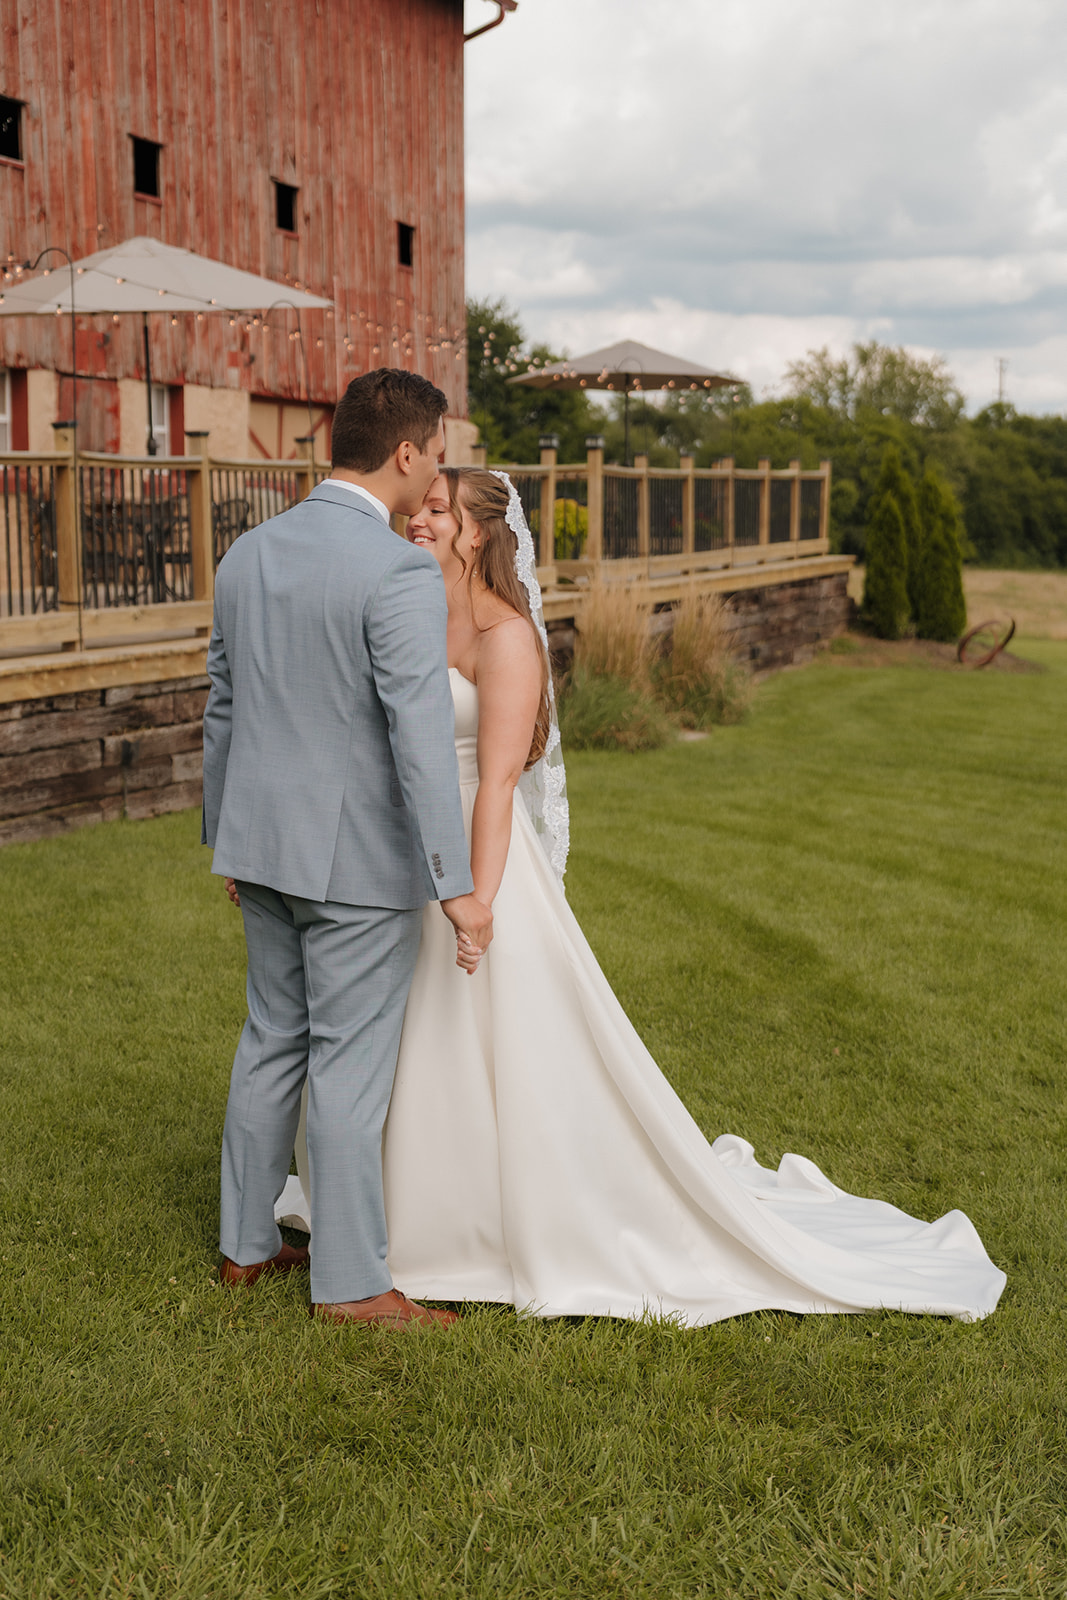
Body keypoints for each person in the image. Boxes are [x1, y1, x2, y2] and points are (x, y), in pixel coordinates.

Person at [274, 467, 1007, 1327]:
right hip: (396, 865)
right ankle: (383, 1222)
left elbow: (499, 780)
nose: (418, 520)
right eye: (421, 505)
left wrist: (470, 897)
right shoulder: (403, 611)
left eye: (440, 511)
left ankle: (475, 1228)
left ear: (482, 535)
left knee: (484, 1045)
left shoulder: (505, 637)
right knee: (393, 1045)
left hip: (478, 869)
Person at [203, 370, 493, 1331]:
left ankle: (245, 1248)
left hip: (261, 847)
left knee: (270, 1041)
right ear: (406, 454)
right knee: (348, 1067)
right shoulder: (397, 569)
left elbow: (224, 708)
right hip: (358, 866)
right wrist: (455, 885)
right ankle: (354, 1285)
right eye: (437, 454)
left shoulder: (247, 553)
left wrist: (227, 839)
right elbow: (418, 734)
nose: (437, 475)